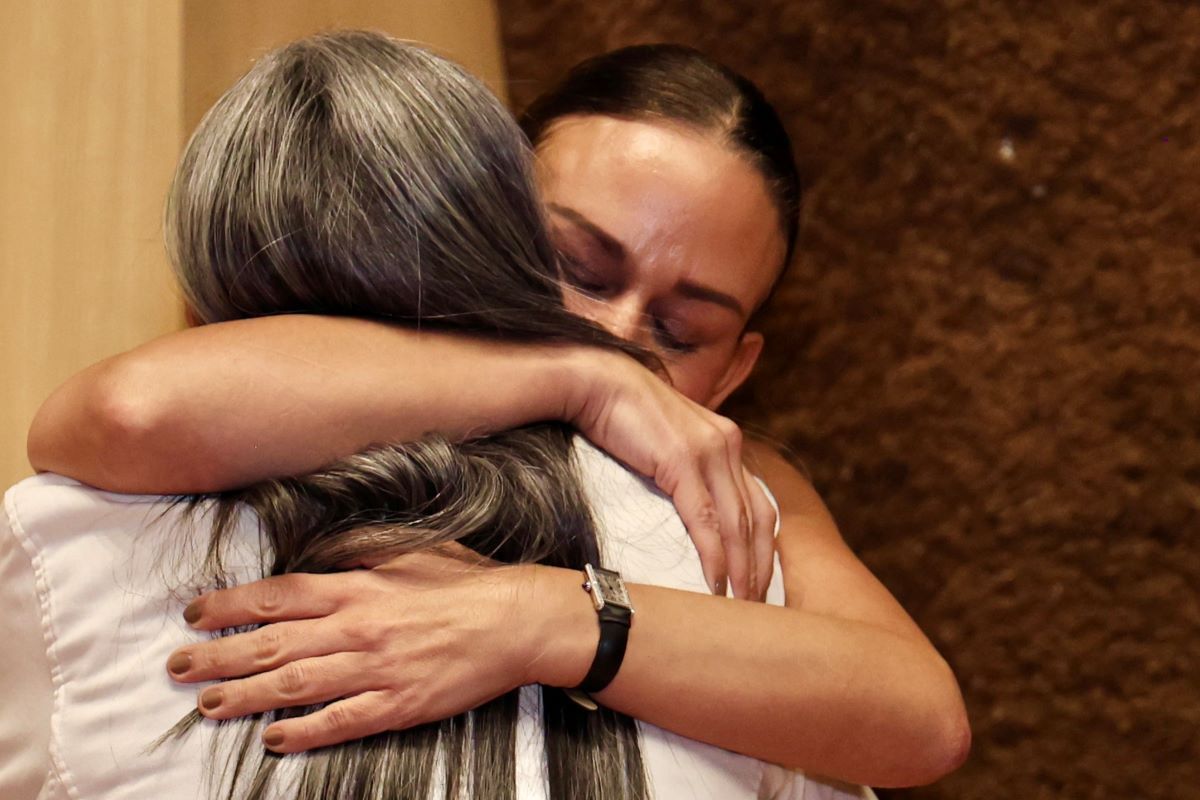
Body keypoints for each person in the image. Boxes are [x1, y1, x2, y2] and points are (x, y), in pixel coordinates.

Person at [26, 44, 969, 787]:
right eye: (577, 269)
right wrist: (575, 378)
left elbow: (921, 719)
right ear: (475, 218)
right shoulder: (363, 354)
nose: (615, 335)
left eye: (680, 331)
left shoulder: (741, 484)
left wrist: (543, 618)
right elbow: (132, 411)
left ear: (734, 371)